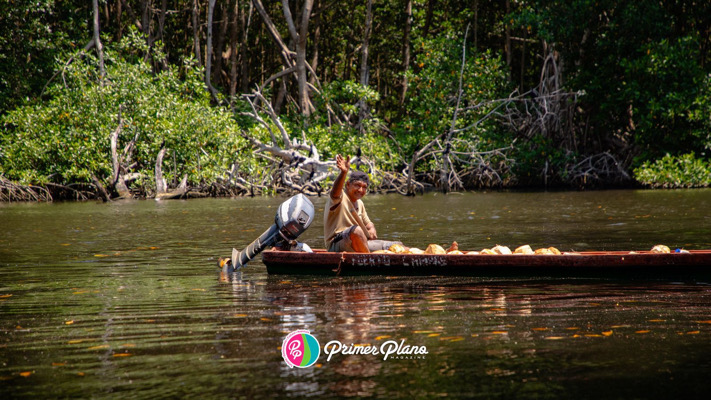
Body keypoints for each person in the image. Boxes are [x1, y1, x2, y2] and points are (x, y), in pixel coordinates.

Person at [323, 154, 402, 253]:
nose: (361, 190)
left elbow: (368, 224)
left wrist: (372, 229)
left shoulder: (360, 204)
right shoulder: (339, 198)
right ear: (348, 185)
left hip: (359, 242)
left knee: (396, 246)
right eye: (357, 185)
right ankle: (370, 262)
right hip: (336, 244)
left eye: (364, 187)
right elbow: (335, 193)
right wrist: (343, 173)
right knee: (357, 230)